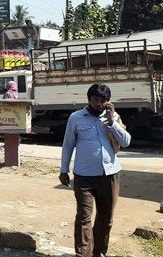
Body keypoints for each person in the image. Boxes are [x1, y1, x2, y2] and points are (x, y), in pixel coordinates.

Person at [60, 84, 131, 257]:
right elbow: (68, 144)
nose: (98, 104)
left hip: (109, 175)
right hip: (84, 177)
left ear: (108, 102)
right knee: (84, 218)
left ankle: (99, 252)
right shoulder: (76, 118)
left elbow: (126, 142)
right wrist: (64, 170)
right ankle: (83, 254)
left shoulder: (113, 117)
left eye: (102, 101)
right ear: (89, 99)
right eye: (95, 100)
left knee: (105, 218)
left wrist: (112, 123)